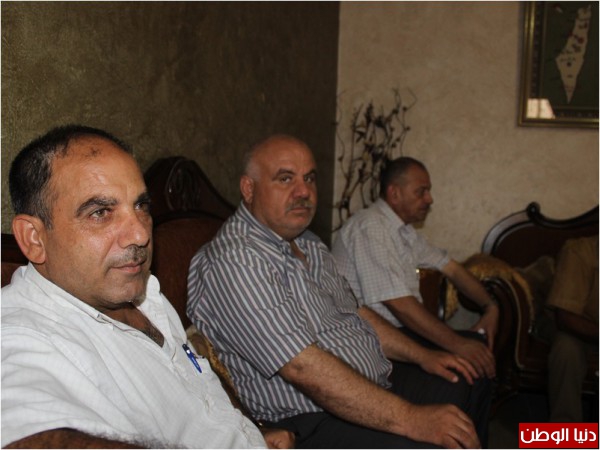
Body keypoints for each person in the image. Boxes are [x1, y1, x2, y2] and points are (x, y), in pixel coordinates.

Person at [187, 135, 491, 448]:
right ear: (249, 189)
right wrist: (411, 418)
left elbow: (358, 314)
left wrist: (424, 356)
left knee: (470, 376)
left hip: (371, 387)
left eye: (309, 178)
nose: (303, 192)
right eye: (285, 178)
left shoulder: (309, 243)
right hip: (310, 418)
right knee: (433, 438)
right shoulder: (234, 259)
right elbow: (300, 366)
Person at [1, 125, 294, 449]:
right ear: (34, 238)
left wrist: (254, 431)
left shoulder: (142, 292)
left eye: (141, 207)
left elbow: (199, 383)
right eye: (101, 212)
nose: (140, 235)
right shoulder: (19, 333)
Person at [332, 156, 499, 379]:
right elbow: (399, 305)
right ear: (395, 193)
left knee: (479, 348)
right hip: (370, 348)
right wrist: (458, 345)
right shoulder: (370, 226)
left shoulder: (404, 232)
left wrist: (490, 306)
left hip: (400, 334)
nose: (429, 199)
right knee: (465, 370)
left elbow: (452, 269)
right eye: (421, 192)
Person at [546, 236, 598, 422]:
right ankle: (565, 432)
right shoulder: (580, 251)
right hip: (583, 331)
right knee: (566, 349)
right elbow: (565, 318)